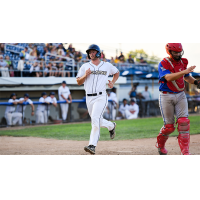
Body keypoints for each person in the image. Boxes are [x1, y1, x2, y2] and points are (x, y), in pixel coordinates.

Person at [156, 43, 200, 155]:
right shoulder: (164, 63)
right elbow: (168, 77)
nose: (178, 54)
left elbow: (186, 77)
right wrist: (184, 72)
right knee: (169, 127)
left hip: (180, 94)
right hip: (166, 95)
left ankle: (185, 151)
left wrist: (195, 82)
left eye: (179, 52)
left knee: (184, 122)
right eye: (175, 52)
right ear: (169, 52)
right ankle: (160, 145)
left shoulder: (183, 62)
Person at [76, 44, 119, 155]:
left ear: (99, 53)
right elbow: (78, 82)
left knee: (95, 119)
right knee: (97, 121)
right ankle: (111, 125)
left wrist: (112, 82)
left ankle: (92, 145)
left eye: (93, 51)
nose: (91, 53)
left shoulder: (107, 65)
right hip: (89, 97)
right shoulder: (85, 66)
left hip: (101, 96)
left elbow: (116, 72)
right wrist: (85, 75)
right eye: (90, 52)